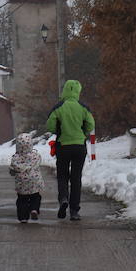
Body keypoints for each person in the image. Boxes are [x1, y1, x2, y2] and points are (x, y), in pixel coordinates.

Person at [46, 79, 95, 221]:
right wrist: (83, 132)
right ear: (78, 91)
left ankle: (63, 199)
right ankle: (74, 210)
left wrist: (59, 130)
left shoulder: (58, 107)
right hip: (79, 146)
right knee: (76, 178)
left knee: (62, 175)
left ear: (65, 90)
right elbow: (90, 125)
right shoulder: (83, 107)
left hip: (63, 146)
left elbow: (50, 125)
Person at [9, 133, 43, 223]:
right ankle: (34, 209)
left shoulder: (15, 158)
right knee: (35, 197)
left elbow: (12, 169)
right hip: (34, 182)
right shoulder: (35, 155)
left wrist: (13, 172)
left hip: (22, 184)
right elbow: (39, 162)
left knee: (22, 200)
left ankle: (23, 217)